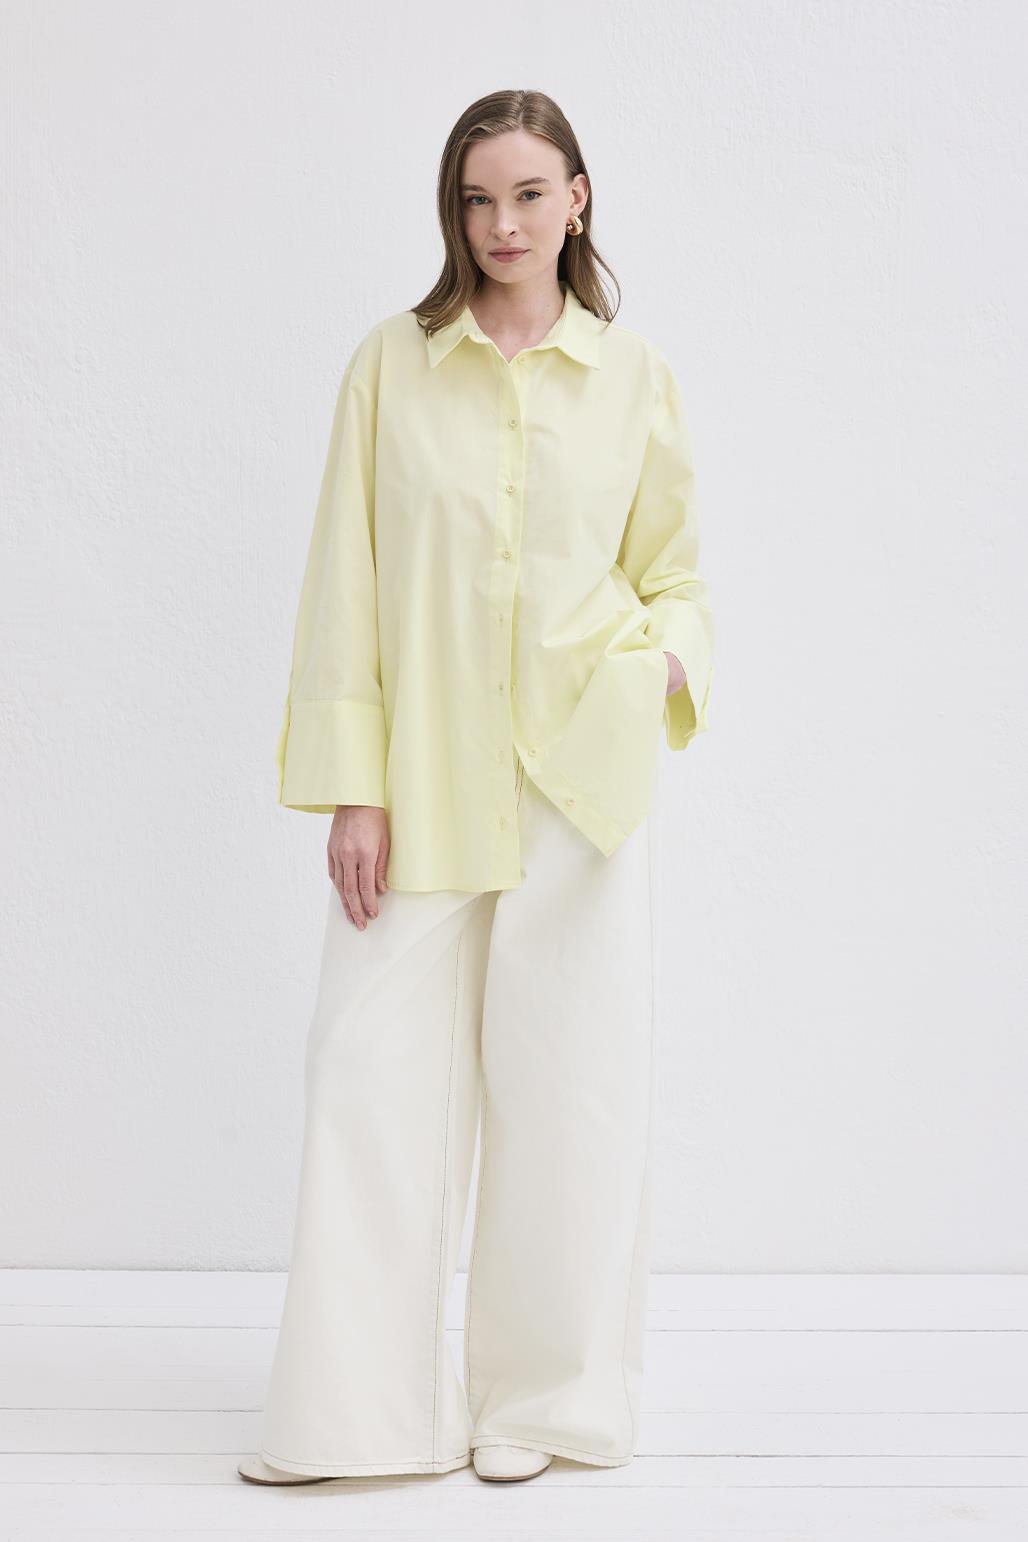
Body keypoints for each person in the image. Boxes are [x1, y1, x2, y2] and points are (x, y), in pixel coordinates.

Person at [238, 87, 714, 1489]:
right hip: (424, 780)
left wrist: (662, 667)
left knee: (573, 1094)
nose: (501, 223)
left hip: (581, 782)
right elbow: (347, 578)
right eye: (476, 198)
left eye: (527, 193)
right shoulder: (392, 366)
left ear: (578, 198)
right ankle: (358, 1416)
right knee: (365, 1077)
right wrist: (355, 788)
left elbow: (679, 574)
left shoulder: (633, 376)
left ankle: (545, 1405)